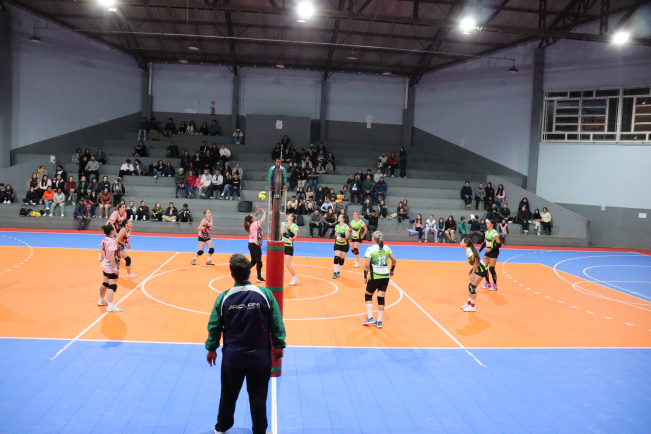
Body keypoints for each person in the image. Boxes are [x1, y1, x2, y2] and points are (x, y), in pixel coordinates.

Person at [205, 254, 285, 434]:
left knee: (228, 395)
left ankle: (221, 428)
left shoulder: (223, 298)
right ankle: (259, 430)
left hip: (232, 359)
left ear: (231, 274)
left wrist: (211, 348)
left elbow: (214, 326)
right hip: (260, 359)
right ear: (250, 272)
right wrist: (279, 345)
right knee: (258, 398)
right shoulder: (266, 295)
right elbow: (277, 323)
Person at [362, 231, 397, 328]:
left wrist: (365, 276)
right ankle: (379, 321)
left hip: (375, 275)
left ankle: (370, 317)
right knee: (381, 297)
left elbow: (366, 265)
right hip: (385, 276)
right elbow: (394, 260)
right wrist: (392, 270)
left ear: (373, 239)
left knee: (368, 295)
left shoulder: (370, 249)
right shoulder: (387, 248)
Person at [459, 238, 489, 312]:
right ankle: (469, 303)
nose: (460, 242)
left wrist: (473, 273)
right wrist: (472, 269)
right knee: (470, 286)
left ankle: (473, 306)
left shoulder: (469, 251)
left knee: (472, 287)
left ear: (465, 244)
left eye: (462, 241)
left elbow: (477, 262)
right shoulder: (468, 250)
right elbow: (475, 262)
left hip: (482, 270)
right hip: (479, 269)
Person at [98, 224, 122, 312]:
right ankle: (110, 305)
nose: (116, 230)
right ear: (112, 231)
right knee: (112, 285)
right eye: (115, 229)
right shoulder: (112, 242)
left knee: (105, 282)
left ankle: (101, 300)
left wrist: (103, 260)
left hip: (104, 264)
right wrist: (115, 268)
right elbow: (111, 256)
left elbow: (101, 252)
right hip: (110, 266)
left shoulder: (104, 240)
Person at [245, 206, 266, 283]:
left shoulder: (251, 223)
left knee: (253, 261)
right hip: (255, 245)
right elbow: (262, 220)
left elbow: (254, 217)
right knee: (259, 261)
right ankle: (259, 277)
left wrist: (258, 211)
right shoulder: (254, 224)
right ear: (252, 219)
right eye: (253, 216)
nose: (254, 216)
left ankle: (245, 272)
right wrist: (264, 213)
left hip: (251, 244)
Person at [479, 219, 501, 291]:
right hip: (488, 251)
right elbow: (485, 243)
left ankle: (495, 285)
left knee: (491, 268)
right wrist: (479, 251)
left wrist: (490, 249)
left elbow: (499, 244)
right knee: (484, 267)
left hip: (494, 251)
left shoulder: (494, 233)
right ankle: (488, 282)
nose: (486, 224)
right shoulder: (487, 232)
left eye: (488, 223)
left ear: (492, 225)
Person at [281, 214, 300, 286]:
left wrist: (288, 230)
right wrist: (288, 237)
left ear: (292, 218)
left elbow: (294, 236)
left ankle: (295, 279)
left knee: (288, 264)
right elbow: (282, 233)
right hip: (281, 245)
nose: (287, 216)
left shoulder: (295, 226)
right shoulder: (283, 223)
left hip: (289, 246)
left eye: (289, 216)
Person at [332, 214, 350, 279]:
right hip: (337, 243)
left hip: (345, 245)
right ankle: (335, 272)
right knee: (337, 257)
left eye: (340, 217)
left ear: (343, 219)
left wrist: (340, 236)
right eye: (338, 217)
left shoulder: (346, 226)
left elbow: (346, 236)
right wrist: (337, 235)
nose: (338, 218)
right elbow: (336, 234)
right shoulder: (336, 226)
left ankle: (338, 271)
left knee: (341, 259)